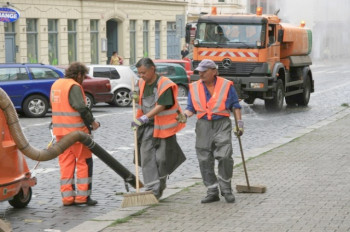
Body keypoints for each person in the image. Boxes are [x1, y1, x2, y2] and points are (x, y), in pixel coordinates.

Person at [181, 59, 244, 204]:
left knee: (225, 156)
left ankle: (226, 189)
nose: (201, 74)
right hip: (203, 125)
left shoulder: (226, 85)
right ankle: (212, 190)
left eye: (205, 71)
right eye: (199, 71)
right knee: (204, 158)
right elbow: (191, 108)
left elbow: (235, 105)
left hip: (222, 123)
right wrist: (184, 116)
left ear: (214, 71)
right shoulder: (195, 87)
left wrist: (239, 124)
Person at [131, 58, 186, 199]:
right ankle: (151, 189)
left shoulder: (165, 84)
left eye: (143, 73)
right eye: (139, 73)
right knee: (146, 157)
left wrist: (144, 117)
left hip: (163, 128)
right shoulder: (141, 83)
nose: (141, 76)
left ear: (152, 69)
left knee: (162, 159)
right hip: (147, 128)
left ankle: (160, 185)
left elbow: (161, 105)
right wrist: (135, 97)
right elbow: (140, 101)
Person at [50, 62, 100, 206]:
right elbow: (81, 107)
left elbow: (55, 105)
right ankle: (82, 197)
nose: (83, 79)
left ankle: (67, 198)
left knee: (66, 164)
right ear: (79, 74)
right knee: (84, 163)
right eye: (83, 76)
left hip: (60, 133)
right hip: (77, 134)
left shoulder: (56, 84)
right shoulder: (73, 86)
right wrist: (93, 123)